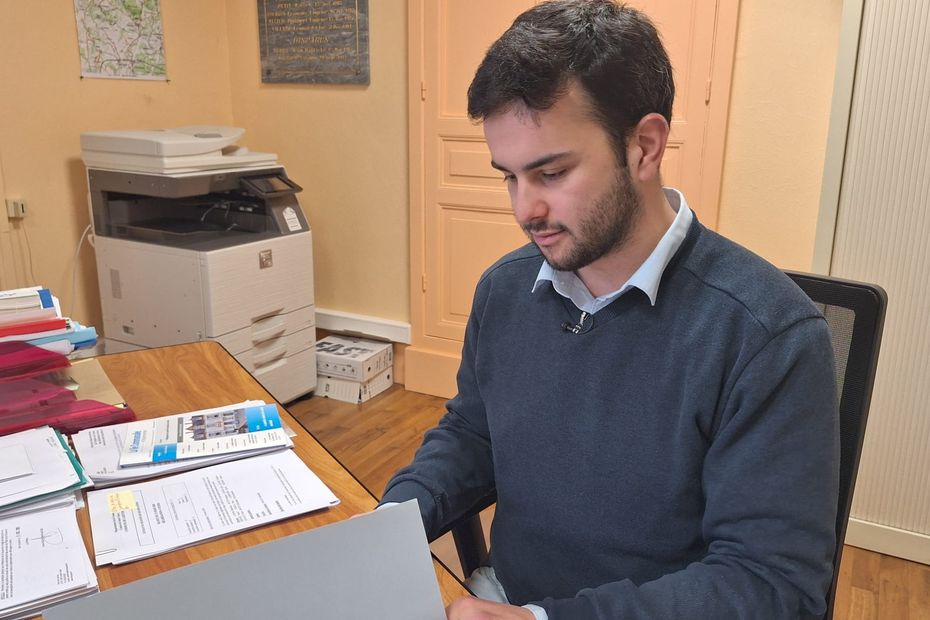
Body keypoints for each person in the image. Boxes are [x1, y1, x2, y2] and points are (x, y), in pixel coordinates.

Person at [381, 1, 839, 618]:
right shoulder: (506, 290)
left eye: (551, 173)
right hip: (506, 595)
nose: (524, 210)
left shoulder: (766, 334)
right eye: (509, 177)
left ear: (644, 147)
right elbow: (473, 434)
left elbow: (769, 582)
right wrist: (392, 521)